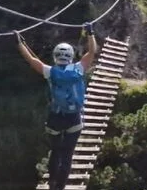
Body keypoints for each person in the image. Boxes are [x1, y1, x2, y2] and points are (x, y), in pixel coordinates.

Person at [16, 23, 97, 190]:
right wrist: (90, 33)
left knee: (55, 151)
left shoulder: (50, 71)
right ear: (71, 56)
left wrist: (19, 43)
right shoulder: (79, 69)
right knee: (67, 155)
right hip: (74, 118)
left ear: (55, 56)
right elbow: (92, 52)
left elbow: (31, 60)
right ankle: (60, 187)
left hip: (55, 118)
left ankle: (52, 184)